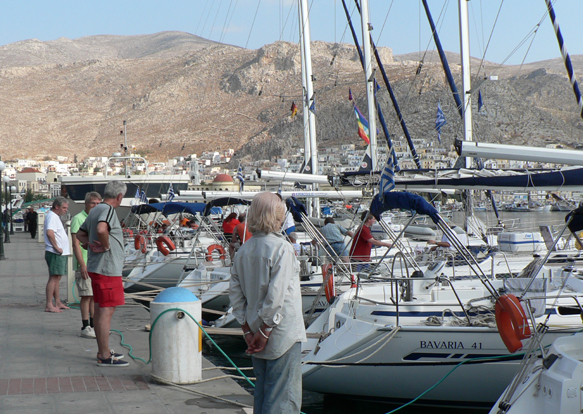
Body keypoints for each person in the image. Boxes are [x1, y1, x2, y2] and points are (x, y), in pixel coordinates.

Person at [229, 192, 306, 413]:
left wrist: (248, 332)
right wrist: (264, 333)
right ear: (277, 216)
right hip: (281, 334)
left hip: (254, 332)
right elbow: (277, 296)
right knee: (283, 398)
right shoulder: (282, 248)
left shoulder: (243, 251)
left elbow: (236, 296)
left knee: (263, 394)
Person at [76, 180, 129, 367]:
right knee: (106, 311)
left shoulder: (95, 210)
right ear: (119, 196)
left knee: (100, 309)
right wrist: (105, 246)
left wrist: (88, 245)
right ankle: (105, 356)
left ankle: (102, 351)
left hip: (97, 268)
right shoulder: (107, 210)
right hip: (108, 269)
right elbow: (101, 229)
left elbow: (80, 235)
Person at [71, 191, 102, 338]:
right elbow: (76, 244)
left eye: (98, 203)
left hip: (95, 263)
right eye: (93, 203)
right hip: (85, 262)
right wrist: (82, 265)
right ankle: (85, 326)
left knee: (93, 295)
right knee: (86, 295)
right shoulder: (79, 219)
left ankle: (93, 325)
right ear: (86, 204)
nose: (95, 206)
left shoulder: (96, 219)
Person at [43, 197, 71, 313]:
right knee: (54, 278)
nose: (66, 210)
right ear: (57, 207)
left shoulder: (55, 217)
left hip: (59, 252)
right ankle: (49, 304)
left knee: (57, 278)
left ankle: (57, 302)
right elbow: (50, 232)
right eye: (64, 208)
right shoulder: (52, 217)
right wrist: (56, 247)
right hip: (55, 252)